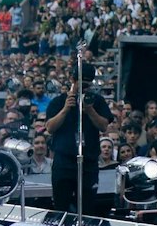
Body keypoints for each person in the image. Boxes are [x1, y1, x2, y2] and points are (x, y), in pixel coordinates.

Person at [43, 61, 113, 213]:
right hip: (64, 162)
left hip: (88, 162)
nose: (83, 88)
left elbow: (103, 126)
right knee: (61, 206)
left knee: (87, 206)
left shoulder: (97, 101)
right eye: (80, 83)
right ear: (72, 80)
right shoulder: (59, 101)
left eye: (87, 85)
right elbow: (50, 127)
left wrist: (89, 109)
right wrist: (66, 109)